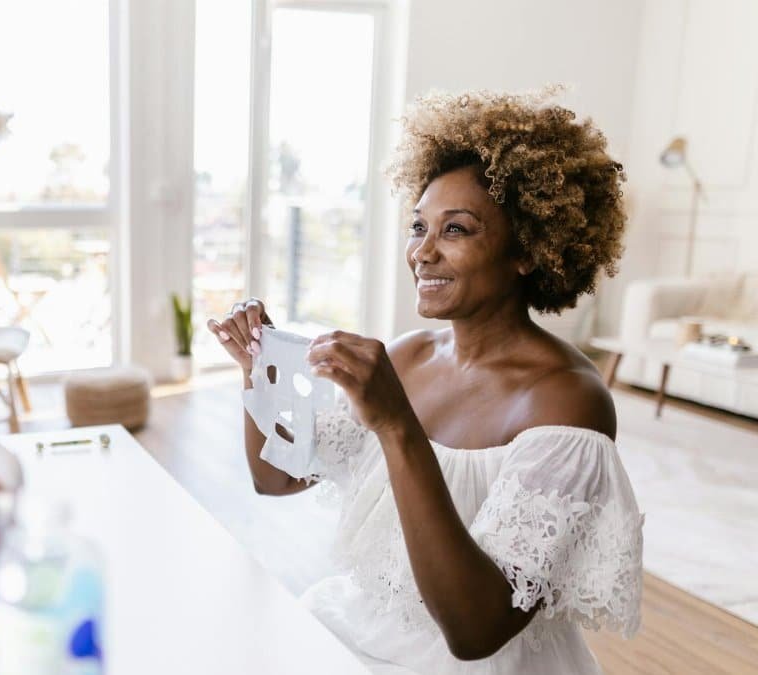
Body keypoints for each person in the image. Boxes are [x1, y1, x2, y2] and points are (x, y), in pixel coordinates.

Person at [208, 89, 643, 674]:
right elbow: (277, 478)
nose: (423, 252)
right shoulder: (410, 357)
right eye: (419, 226)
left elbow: (476, 631)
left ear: (529, 253)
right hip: (361, 633)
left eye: (456, 230)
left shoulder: (566, 398)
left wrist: (395, 422)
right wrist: (260, 372)